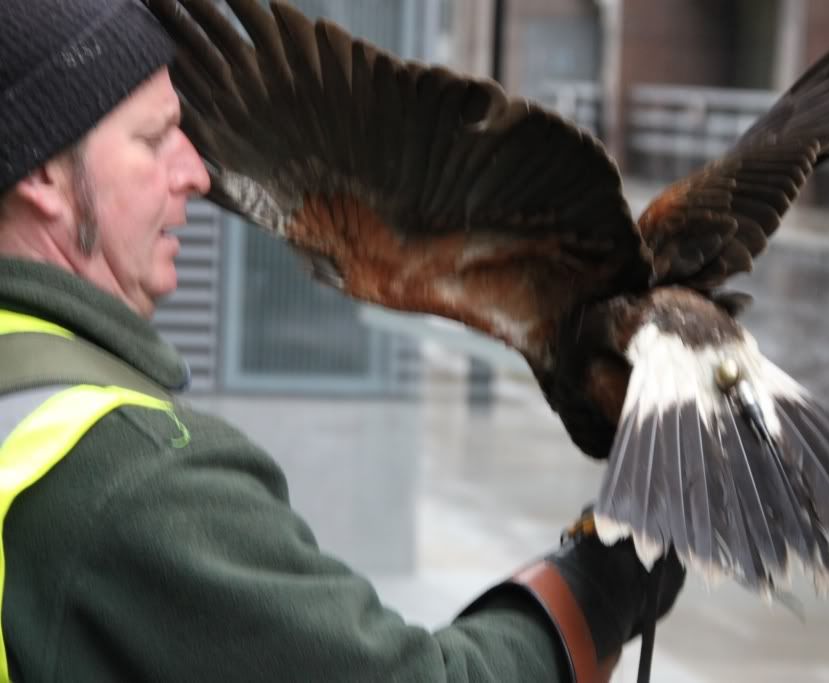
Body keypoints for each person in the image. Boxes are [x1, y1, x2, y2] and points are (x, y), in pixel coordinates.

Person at [0, 1, 684, 681]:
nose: (197, 173)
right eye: (154, 140)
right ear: (42, 176)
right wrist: (595, 592)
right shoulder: (130, 479)